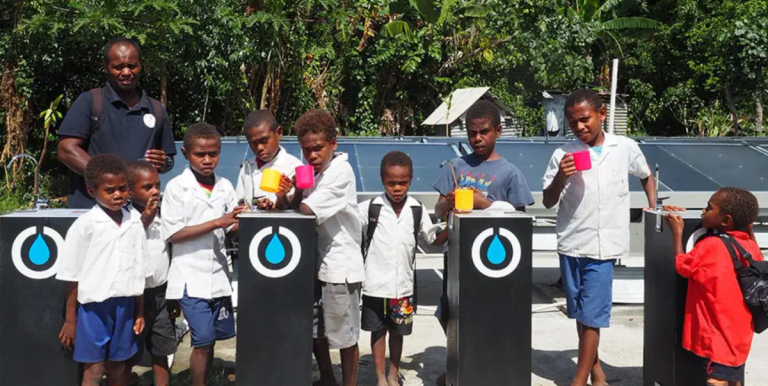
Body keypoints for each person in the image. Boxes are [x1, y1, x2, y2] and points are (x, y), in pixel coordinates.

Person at [542, 89, 656, 386]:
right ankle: (596, 371)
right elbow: (547, 201)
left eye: (585, 119)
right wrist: (561, 176)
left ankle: (579, 380)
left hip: (605, 246)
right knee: (581, 312)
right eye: (573, 122)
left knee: (593, 314)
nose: (580, 127)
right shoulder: (562, 154)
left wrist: (652, 206)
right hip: (571, 242)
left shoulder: (624, 147)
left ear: (602, 114)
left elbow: (645, 174)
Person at [431, 99, 535, 385]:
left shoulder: (510, 172)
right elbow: (438, 210)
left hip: (491, 264)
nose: (477, 138)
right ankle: (458, 359)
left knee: (486, 314)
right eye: (471, 133)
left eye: (484, 132)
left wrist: (483, 203)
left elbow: (520, 216)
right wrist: (449, 202)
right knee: (449, 312)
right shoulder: (454, 166)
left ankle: (481, 365)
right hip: (456, 256)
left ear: (498, 131)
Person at [161, 123, 247, 386]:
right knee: (202, 339)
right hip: (190, 276)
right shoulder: (177, 188)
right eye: (201, 154)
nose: (208, 160)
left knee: (212, 341)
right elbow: (173, 233)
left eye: (214, 153)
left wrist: (247, 219)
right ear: (186, 153)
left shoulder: (224, 186)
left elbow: (231, 225)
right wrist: (218, 222)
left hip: (218, 275)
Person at [283, 110, 364, 386]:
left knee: (344, 335)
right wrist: (289, 192)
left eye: (318, 148)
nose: (311, 155)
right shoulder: (316, 173)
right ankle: (328, 378)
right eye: (306, 150)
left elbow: (307, 211)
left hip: (339, 266)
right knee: (317, 327)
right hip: (317, 264)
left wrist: (299, 198)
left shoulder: (340, 173)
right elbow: (296, 205)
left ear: (334, 143)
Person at [55, 154, 149, 386]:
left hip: (125, 307)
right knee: (94, 369)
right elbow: (71, 275)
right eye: (110, 190)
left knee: (119, 366)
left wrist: (139, 312)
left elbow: (139, 271)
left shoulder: (134, 222)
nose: (118, 195)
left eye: (122, 188)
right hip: (94, 310)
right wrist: (70, 320)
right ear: (91, 191)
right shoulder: (85, 225)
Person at [359, 151, 448, 386]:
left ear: (411, 180)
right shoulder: (369, 209)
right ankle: (380, 377)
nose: (397, 188)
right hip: (374, 285)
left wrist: (453, 222)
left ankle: (392, 374)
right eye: (391, 183)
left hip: (403, 287)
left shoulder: (416, 209)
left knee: (398, 332)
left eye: (402, 182)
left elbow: (432, 239)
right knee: (377, 332)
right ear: (382, 180)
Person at [57, 37, 176, 209]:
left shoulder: (156, 109)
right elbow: (66, 149)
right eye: (118, 67)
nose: (126, 72)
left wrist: (165, 162)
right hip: (91, 209)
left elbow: (169, 159)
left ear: (141, 65)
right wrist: (107, 179)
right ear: (106, 67)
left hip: (139, 213)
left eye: (132, 66)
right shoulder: (91, 101)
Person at [665, 188, 763, 386]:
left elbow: (683, 266)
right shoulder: (750, 246)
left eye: (709, 208)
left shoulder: (711, 246)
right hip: (740, 332)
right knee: (734, 377)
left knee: (716, 380)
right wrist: (749, 231)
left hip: (716, 335)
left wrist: (677, 234)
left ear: (725, 221)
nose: (703, 210)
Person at [126, 161, 178, 386]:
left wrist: (173, 293)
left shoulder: (164, 214)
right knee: (129, 347)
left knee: (162, 345)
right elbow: (127, 244)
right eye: (147, 187)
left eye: (157, 185)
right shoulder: (124, 218)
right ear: (129, 191)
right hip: (132, 295)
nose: (155, 191)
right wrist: (145, 219)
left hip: (160, 293)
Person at [235, 109, 302, 210]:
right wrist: (255, 205)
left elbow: (296, 206)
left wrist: (279, 200)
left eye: (264, 140)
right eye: (253, 143)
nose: (259, 148)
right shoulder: (248, 167)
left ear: (279, 133)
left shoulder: (294, 167)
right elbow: (241, 201)